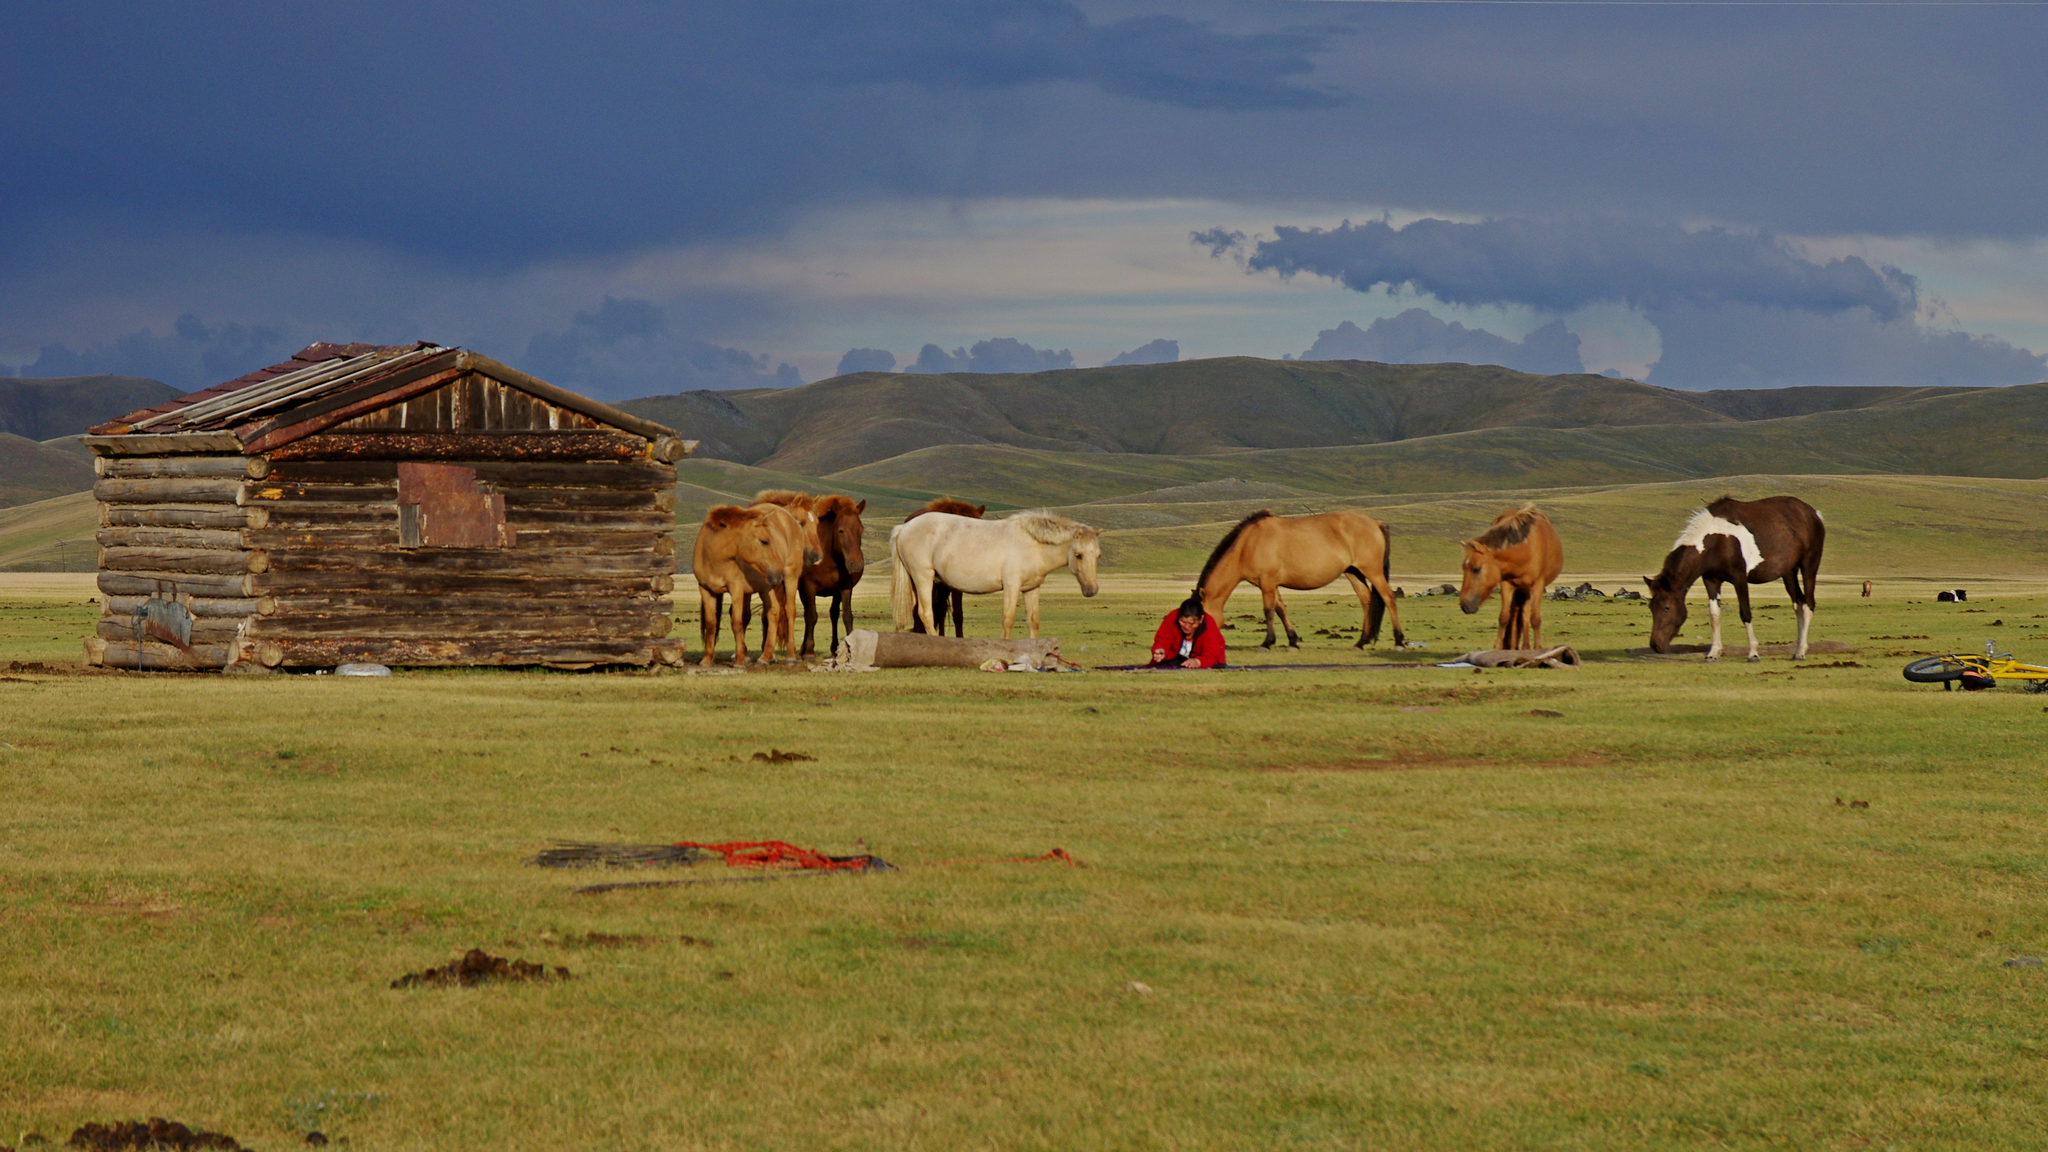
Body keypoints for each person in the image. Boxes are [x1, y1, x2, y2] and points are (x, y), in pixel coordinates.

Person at [1149, 593, 1226, 669]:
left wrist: (1197, 662)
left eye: (1191, 624)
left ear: (1201, 619)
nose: (1186, 626)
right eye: (1183, 622)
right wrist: (1161, 652)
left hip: (1205, 660)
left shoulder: (1209, 626)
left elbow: (1211, 656)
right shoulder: (1172, 618)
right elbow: (1162, 641)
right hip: (1175, 658)